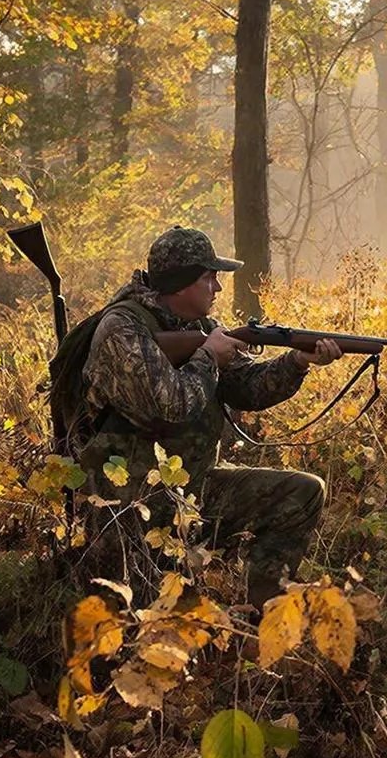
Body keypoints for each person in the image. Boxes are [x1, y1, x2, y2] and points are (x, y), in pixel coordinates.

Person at [76, 225, 342, 608]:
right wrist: (208, 358)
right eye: (209, 277)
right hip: (130, 510)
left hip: (189, 492)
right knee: (154, 622)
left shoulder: (201, 329)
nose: (217, 287)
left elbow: (245, 388)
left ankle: (265, 614)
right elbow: (171, 403)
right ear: (182, 284)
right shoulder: (122, 330)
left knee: (303, 491)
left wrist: (298, 360)